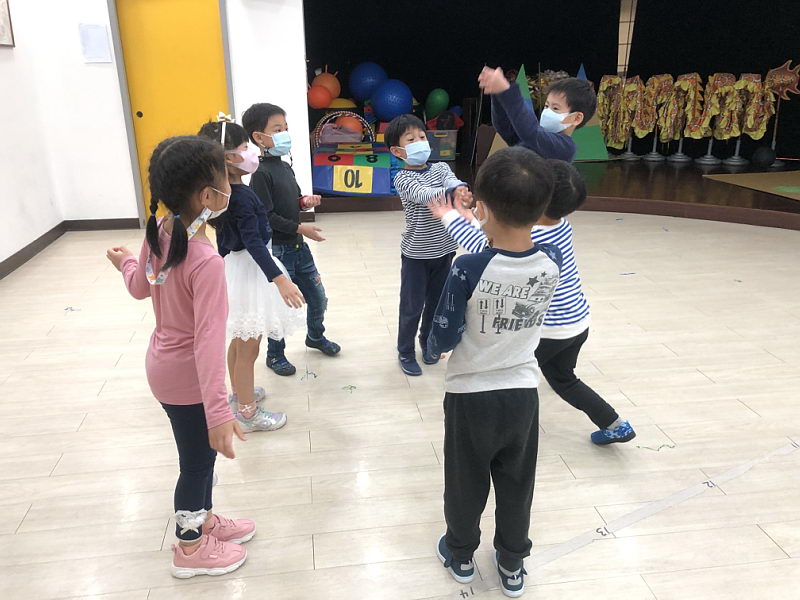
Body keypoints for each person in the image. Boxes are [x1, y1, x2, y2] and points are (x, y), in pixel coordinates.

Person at [106, 136, 254, 578]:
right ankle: (189, 548)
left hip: (163, 367)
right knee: (196, 464)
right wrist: (218, 412)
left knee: (198, 457)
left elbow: (140, 286)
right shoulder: (206, 261)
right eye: (225, 178)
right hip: (188, 379)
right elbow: (207, 344)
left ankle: (203, 520)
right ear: (207, 196)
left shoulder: (161, 229)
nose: (231, 184)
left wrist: (126, 263)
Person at [428, 147, 562, 598]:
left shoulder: (468, 266)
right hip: (522, 393)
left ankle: (461, 553)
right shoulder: (551, 261)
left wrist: (435, 349)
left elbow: (444, 332)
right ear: (541, 211)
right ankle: (512, 562)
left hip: (470, 394)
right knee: (517, 481)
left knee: (465, 481)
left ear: (480, 208)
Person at [433, 159, 636, 445]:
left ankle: (503, 434)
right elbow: (497, 232)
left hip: (546, 331)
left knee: (508, 379)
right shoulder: (561, 226)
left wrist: (450, 216)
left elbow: (483, 246)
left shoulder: (533, 236)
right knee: (564, 378)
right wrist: (477, 212)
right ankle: (615, 423)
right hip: (577, 323)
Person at [197, 120, 305, 433]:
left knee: (239, 340)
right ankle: (247, 413)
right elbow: (254, 243)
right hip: (250, 272)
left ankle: (238, 394)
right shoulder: (241, 197)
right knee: (248, 348)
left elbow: (226, 242)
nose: (252, 152)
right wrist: (280, 279)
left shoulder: (224, 194)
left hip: (236, 268)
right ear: (228, 158)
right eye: (245, 148)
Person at [242, 102, 341, 377]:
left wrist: (304, 201)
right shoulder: (260, 174)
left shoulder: (285, 167)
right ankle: (275, 355)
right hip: (279, 251)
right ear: (259, 137)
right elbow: (267, 216)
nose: (285, 133)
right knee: (281, 307)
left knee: (318, 298)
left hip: (299, 248)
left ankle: (315, 336)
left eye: (285, 128)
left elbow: (293, 200)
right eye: (277, 129)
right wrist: (300, 228)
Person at [385, 113, 472, 376]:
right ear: (397, 151)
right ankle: (405, 351)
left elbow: (452, 182)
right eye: (411, 139)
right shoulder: (402, 179)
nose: (420, 142)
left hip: (445, 251)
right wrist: (451, 193)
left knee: (436, 304)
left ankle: (428, 342)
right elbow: (425, 195)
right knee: (411, 308)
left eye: (422, 136)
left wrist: (460, 188)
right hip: (416, 255)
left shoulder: (441, 168)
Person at [478, 67, 597, 162]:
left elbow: (530, 132)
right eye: (546, 106)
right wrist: (497, 94)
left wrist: (506, 91)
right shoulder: (535, 138)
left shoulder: (565, 147)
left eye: (555, 108)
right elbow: (505, 128)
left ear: (576, 118)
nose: (547, 111)